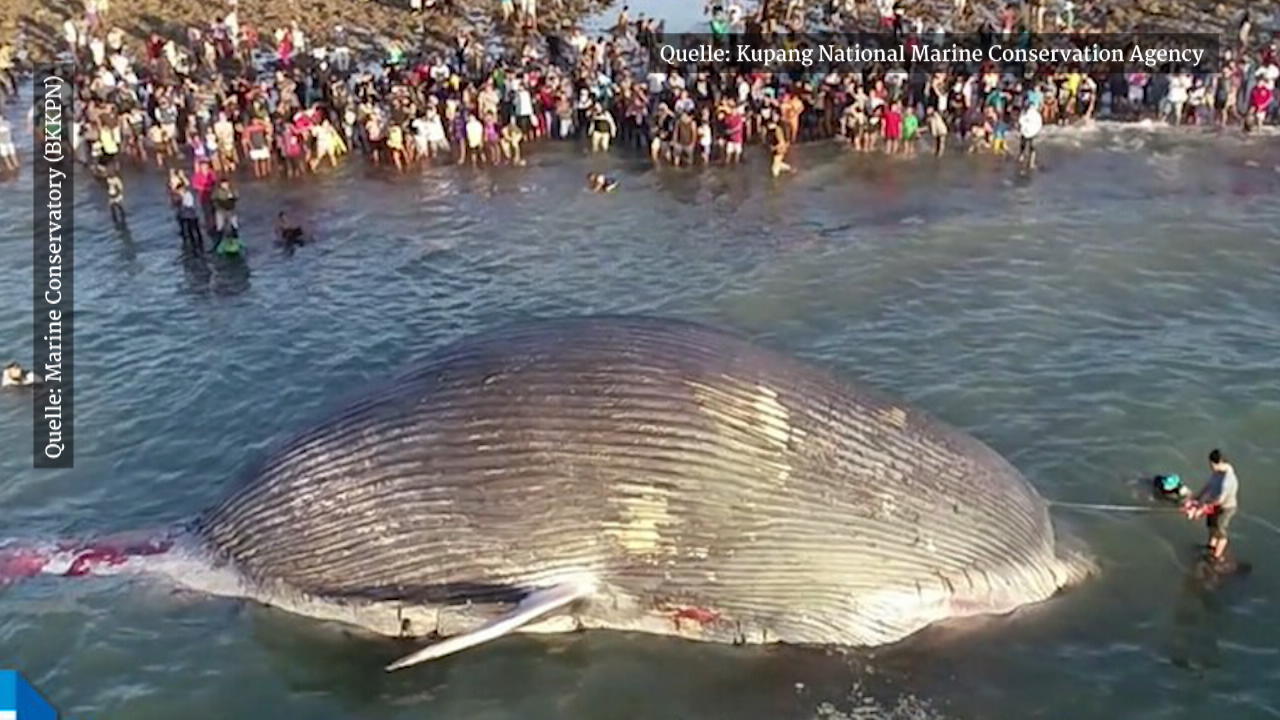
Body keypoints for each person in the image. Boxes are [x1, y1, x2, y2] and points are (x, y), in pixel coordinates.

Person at [1184, 449, 1240, 561]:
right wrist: (1195, 499)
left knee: (1220, 530)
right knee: (1211, 526)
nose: (1210, 467)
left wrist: (1203, 509)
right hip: (1213, 504)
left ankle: (1216, 557)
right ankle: (1210, 547)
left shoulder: (1228, 480)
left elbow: (1220, 500)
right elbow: (1208, 486)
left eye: (1212, 464)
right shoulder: (1217, 472)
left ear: (1219, 463)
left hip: (1225, 508)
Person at [1017, 104, 1042, 170]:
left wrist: (1020, 128)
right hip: (1029, 132)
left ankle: (1026, 159)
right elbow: (1039, 124)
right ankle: (1030, 162)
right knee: (1030, 147)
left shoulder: (1027, 114)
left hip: (1028, 132)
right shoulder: (1029, 114)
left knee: (1028, 146)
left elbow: (1020, 121)